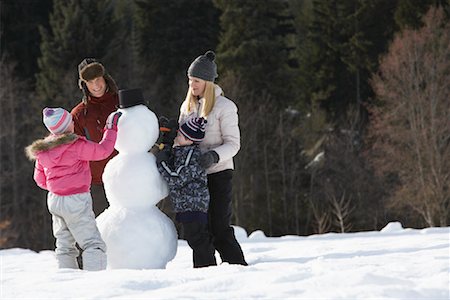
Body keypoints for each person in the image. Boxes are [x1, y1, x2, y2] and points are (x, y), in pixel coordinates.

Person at [25, 107, 122, 270]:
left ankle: (67, 282)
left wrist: (58, 187)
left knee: (64, 246)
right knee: (92, 244)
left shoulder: (43, 151)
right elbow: (103, 151)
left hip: (55, 200)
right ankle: (96, 283)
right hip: (76, 199)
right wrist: (111, 129)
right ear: (68, 125)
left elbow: (39, 178)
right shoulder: (76, 145)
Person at [178, 50, 247, 266]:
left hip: (219, 174)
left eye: (196, 81)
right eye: (190, 80)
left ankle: (237, 267)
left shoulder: (225, 107)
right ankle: (204, 271)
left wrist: (214, 156)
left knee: (218, 227)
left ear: (208, 81)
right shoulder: (187, 106)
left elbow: (234, 143)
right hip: (194, 176)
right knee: (198, 229)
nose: (192, 85)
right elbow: (182, 138)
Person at [156, 117, 217, 268]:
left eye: (180, 135)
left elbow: (176, 177)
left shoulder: (192, 156)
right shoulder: (183, 151)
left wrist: (162, 162)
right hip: (186, 203)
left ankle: (206, 267)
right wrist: (166, 145)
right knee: (195, 237)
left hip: (193, 204)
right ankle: (204, 265)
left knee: (196, 237)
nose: (177, 136)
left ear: (190, 140)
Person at [71, 58, 119, 216]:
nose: (96, 86)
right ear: (84, 85)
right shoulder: (79, 114)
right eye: (90, 82)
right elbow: (73, 153)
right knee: (101, 230)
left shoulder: (121, 102)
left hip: (125, 176)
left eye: (98, 79)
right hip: (97, 183)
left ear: (105, 78)